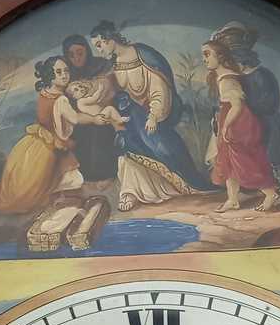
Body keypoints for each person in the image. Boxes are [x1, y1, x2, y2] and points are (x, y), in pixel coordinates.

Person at [89, 20, 211, 210]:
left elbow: (159, 89)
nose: (98, 51)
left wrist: (154, 115)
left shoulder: (144, 55)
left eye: (99, 45)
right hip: (129, 120)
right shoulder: (113, 64)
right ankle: (131, 193)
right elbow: (110, 91)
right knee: (125, 151)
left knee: (163, 148)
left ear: (110, 39)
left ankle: (172, 187)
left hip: (152, 117)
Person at [0, 55, 83, 214]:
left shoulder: (45, 92)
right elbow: (76, 119)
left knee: (61, 180)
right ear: (50, 75)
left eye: (66, 70)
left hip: (37, 141)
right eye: (58, 72)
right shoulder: (61, 99)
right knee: (49, 185)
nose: (64, 75)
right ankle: (57, 200)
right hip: (48, 145)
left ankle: (57, 198)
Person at [209, 22, 280, 191]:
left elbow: (270, 104)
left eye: (235, 60)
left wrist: (246, 110)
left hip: (263, 118)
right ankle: (244, 180)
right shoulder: (231, 78)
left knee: (270, 135)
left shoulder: (261, 75)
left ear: (244, 58)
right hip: (239, 120)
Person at [202, 37, 278, 212]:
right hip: (229, 118)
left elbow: (237, 105)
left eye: (207, 54)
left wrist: (227, 127)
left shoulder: (227, 78)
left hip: (237, 121)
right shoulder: (222, 76)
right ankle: (233, 199)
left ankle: (270, 192)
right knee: (227, 160)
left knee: (243, 161)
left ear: (220, 56)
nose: (204, 59)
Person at [62, 33, 119, 182]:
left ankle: (107, 174)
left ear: (87, 50)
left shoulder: (101, 65)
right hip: (80, 119)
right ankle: (87, 177)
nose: (76, 58)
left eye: (80, 53)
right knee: (80, 134)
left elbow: (111, 91)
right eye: (71, 55)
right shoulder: (67, 75)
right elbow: (67, 105)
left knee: (100, 130)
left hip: (105, 111)